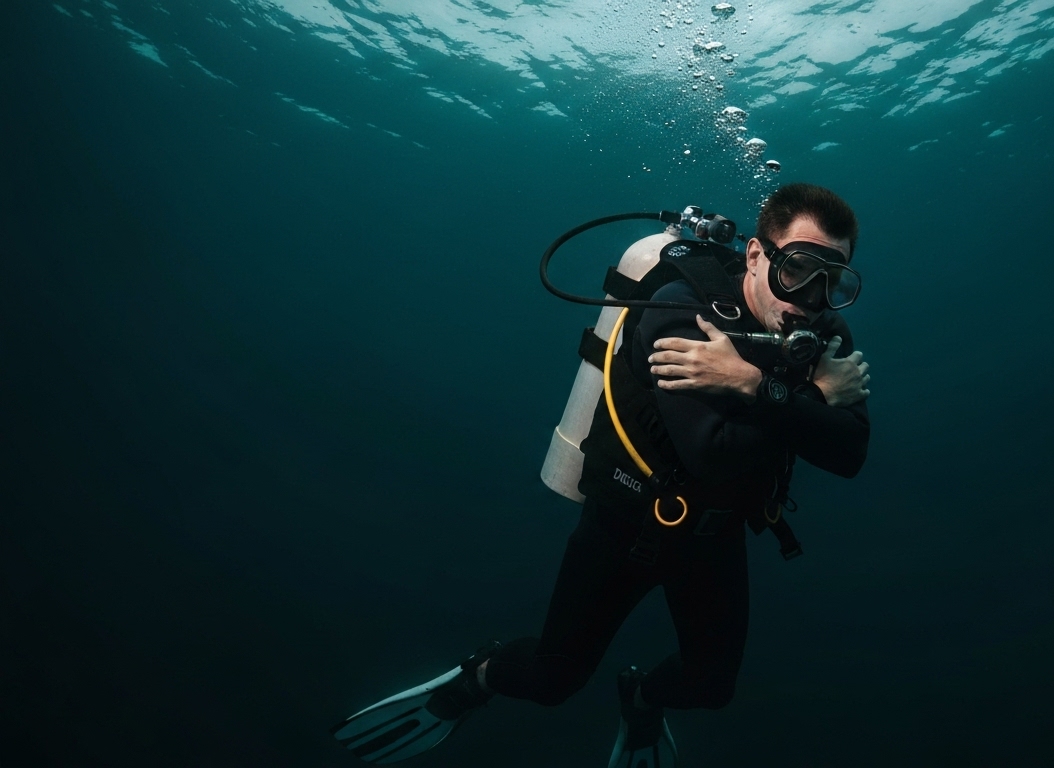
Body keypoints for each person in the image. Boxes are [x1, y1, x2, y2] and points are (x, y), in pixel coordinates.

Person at [331, 183, 871, 766]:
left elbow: (850, 454)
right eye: (797, 270)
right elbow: (709, 454)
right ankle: (478, 678)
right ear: (757, 256)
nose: (812, 297)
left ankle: (641, 698)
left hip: (715, 537)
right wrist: (809, 398)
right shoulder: (676, 311)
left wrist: (750, 384)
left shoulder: (824, 337)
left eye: (832, 279)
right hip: (626, 526)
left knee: (710, 687)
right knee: (552, 681)